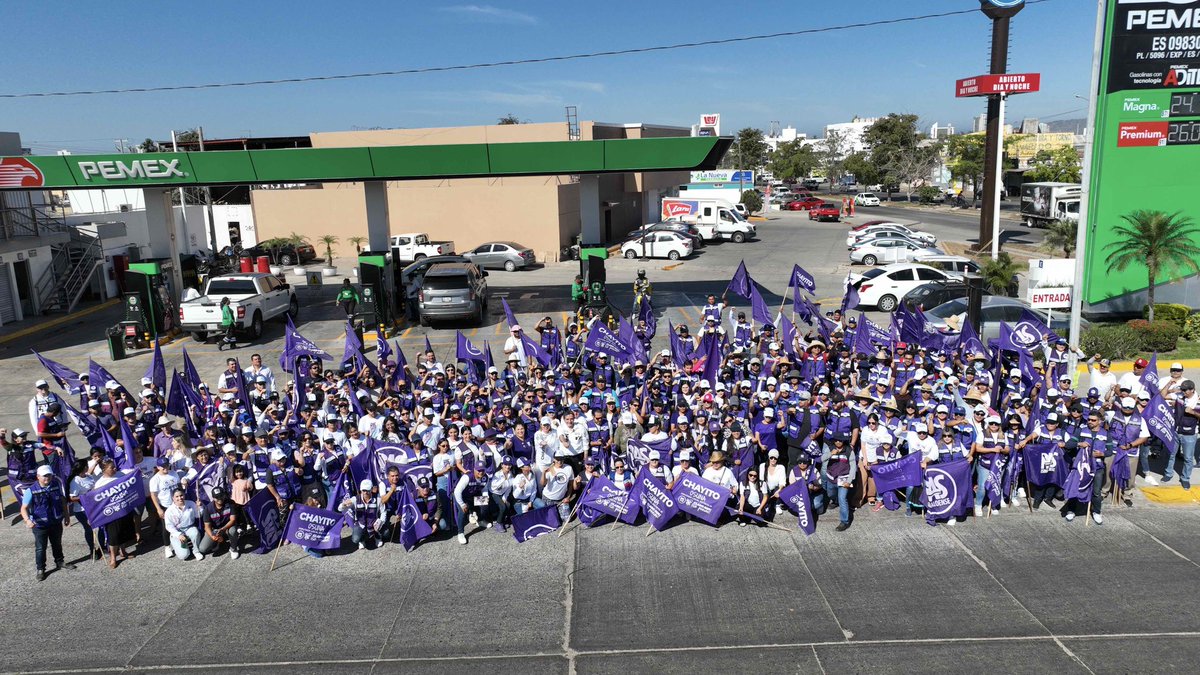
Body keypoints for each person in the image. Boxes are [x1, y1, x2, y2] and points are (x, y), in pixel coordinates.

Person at [20, 464, 76, 581]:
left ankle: (60, 562)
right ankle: (41, 569)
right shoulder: (31, 491)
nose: (47, 478)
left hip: (55, 521)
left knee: (57, 543)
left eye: (49, 475)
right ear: (38, 477)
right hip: (40, 525)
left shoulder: (56, 485)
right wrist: (27, 520)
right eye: (45, 476)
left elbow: (62, 500)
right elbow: (23, 508)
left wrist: (67, 516)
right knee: (41, 548)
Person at [93, 458, 137, 567]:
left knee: (124, 531)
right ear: (104, 469)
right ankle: (113, 558)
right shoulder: (99, 483)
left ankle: (123, 551)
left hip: (124, 509)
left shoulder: (120, 474)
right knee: (113, 536)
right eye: (111, 468)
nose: (114, 468)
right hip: (111, 514)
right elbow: (97, 502)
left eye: (114, 466)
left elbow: (133, 473)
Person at [198, 487, 242, 559]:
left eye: (221, 496)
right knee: (203, 549)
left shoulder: (230, 503)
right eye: (217, 497)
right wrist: (213, 536)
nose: (220, 499)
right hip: (215, 530)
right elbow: (207, 526)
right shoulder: (208, 508)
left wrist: (223, 529)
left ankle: (233, 548)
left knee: (233, 530)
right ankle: (219, 542)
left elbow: (233, 520)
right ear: (213, 498)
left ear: (224, 495)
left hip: (227, 527)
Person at [340, 479, 384, 550]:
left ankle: (377, 536)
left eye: (368, 490)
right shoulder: (355, 499)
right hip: (360, 524)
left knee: (386, 532)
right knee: (355, 539)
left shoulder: (378, 498)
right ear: (360, 490)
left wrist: (380, 521)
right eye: (363, 490)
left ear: (371, 489)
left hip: (374, 524)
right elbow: (340, 509)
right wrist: (343, 504)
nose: (366, 492)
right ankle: (361, 540)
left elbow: (383, 512)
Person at [163, 488, 204, 561]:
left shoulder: (190, 503)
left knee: (195, 532)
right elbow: (169, 527)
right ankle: (182, 546)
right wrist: (178, 535)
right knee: (184, 556)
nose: (180, 498)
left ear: (184, 495)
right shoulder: (169, 511)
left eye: (181, 495)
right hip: (177, 532)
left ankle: (196, 551)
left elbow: (198, 515)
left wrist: (199, 507)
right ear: (173, 498)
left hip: (189, 528)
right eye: (177, 496)